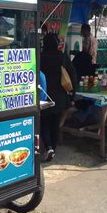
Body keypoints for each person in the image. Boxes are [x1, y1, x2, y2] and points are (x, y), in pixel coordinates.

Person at [40, 33, 77, 161]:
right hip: (59, 97)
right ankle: (53, 149)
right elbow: (72, 75)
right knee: (55, 123)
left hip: (43, 96)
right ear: (56, 44)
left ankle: (49, 146)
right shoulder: (61, 57)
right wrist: (73, 95)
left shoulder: (40, 57)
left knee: (44, 122)